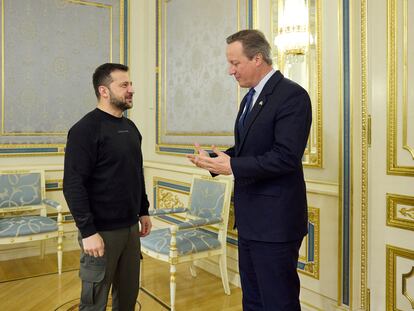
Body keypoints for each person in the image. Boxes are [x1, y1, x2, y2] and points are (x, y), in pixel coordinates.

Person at [187, 30, 312, 310]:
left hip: (276, 223)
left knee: (278, 302)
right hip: (250, 219)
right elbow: (249, 152)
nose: (230, 71)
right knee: (253, 300)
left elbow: (285, 157)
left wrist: (232, 165)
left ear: (257, 59)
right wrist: (214, 159)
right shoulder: (250, 98)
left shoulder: (292, 95)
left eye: (235, 63)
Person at [63, 63, 152, 310]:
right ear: (104, 91)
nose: (131, 89)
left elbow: (136, 173)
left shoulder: (131, 128)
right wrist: (88, 231)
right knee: (94, 301)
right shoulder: (84, 129)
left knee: (127, 298)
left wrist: (143, 210)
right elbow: (72, 185)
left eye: (130, 84)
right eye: (124, 85)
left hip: (131, 229)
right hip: (100, 232)